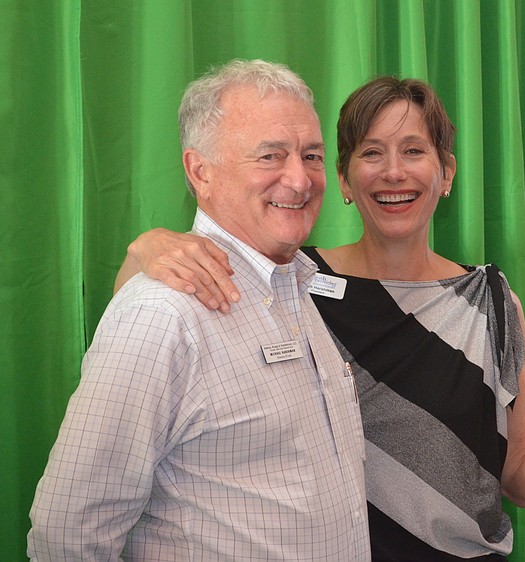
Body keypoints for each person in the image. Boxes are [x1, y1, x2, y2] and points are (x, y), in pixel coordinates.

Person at [115, 75, 525, 561]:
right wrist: (144, 249)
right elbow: (142, 321)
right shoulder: (290, 283)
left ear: (447, 172)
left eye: (414, 151)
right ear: (341, 178)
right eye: (370, 152)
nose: (393, 172)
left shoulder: (490, 301)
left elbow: (521, 476)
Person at [28, 60, 370, 561]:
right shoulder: (162, 315)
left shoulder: (299, 287)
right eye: (270, 156)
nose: (299, 180)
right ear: (200, 171)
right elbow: (68, 532)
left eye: (312, 155)